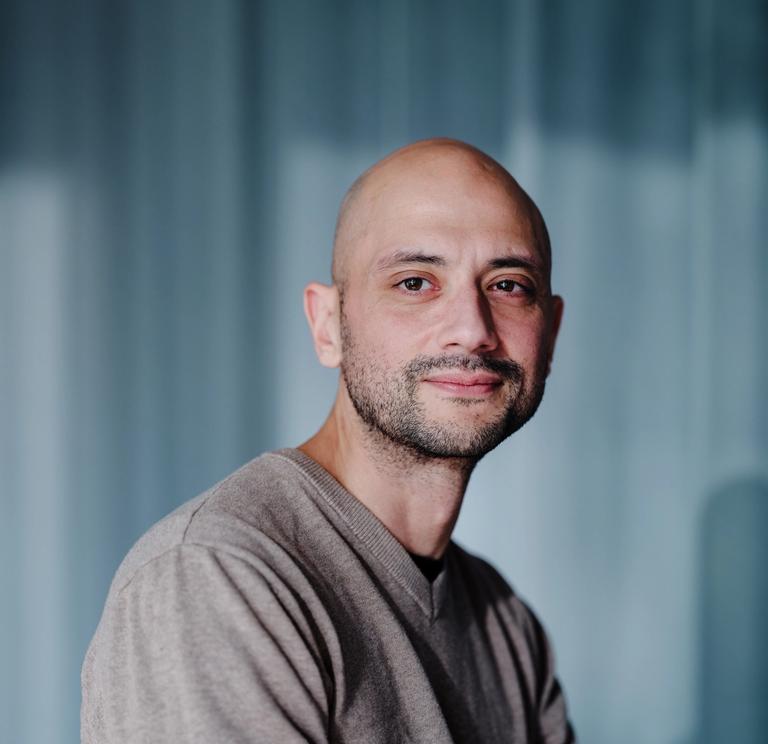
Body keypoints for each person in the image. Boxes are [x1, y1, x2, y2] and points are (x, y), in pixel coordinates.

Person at [81, 138, 574, 743]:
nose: (472, 330)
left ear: (550, 335)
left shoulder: (507, 627)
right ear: (328, 325)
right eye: (415, 282)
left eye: (508, 285)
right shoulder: (217, 577)